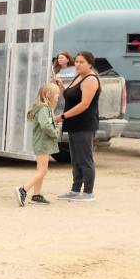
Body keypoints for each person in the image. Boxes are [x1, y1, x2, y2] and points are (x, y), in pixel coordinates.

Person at [56, 52, 101, 202]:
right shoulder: (78, 76)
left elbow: (84, 104)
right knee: (75, 159)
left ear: (90, 63)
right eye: (76, 62)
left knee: (85, 159)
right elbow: (70, 97)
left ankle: (88, 192)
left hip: (84, 124)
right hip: (73, 124)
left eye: (81, 62)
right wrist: (62, 87)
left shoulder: (91, 79)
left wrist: (62, 117)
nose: (78, 64)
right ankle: (75, 190)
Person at [15, 83, 61, 206]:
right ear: (49, 95)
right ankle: (23, 190)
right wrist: (55, 132)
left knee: (40, 169)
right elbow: (45, 125)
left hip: (42, 142)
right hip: (43, 143)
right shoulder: (44, 108)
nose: (58, 97)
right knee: (43, 171)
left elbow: (46, 123)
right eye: (57, 95)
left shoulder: (44, 108)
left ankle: (36, 195)